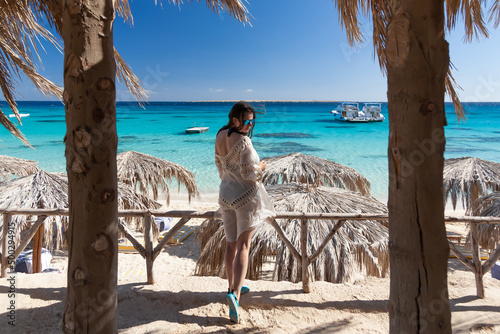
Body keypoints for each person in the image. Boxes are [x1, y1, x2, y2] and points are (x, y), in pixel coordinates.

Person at [214, 101, 275, 323]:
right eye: (246, 121)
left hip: (225, 195)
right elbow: (250, 174)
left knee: (230, 244)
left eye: (252, 121)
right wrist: (262, 168)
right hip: (245, 198)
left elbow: (219, 166)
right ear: (235, 119)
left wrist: (229, 180)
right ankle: (236, 295)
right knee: (244, 246)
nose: (250, 125)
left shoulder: (220, 135)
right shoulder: (244, 142)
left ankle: (231, 286)